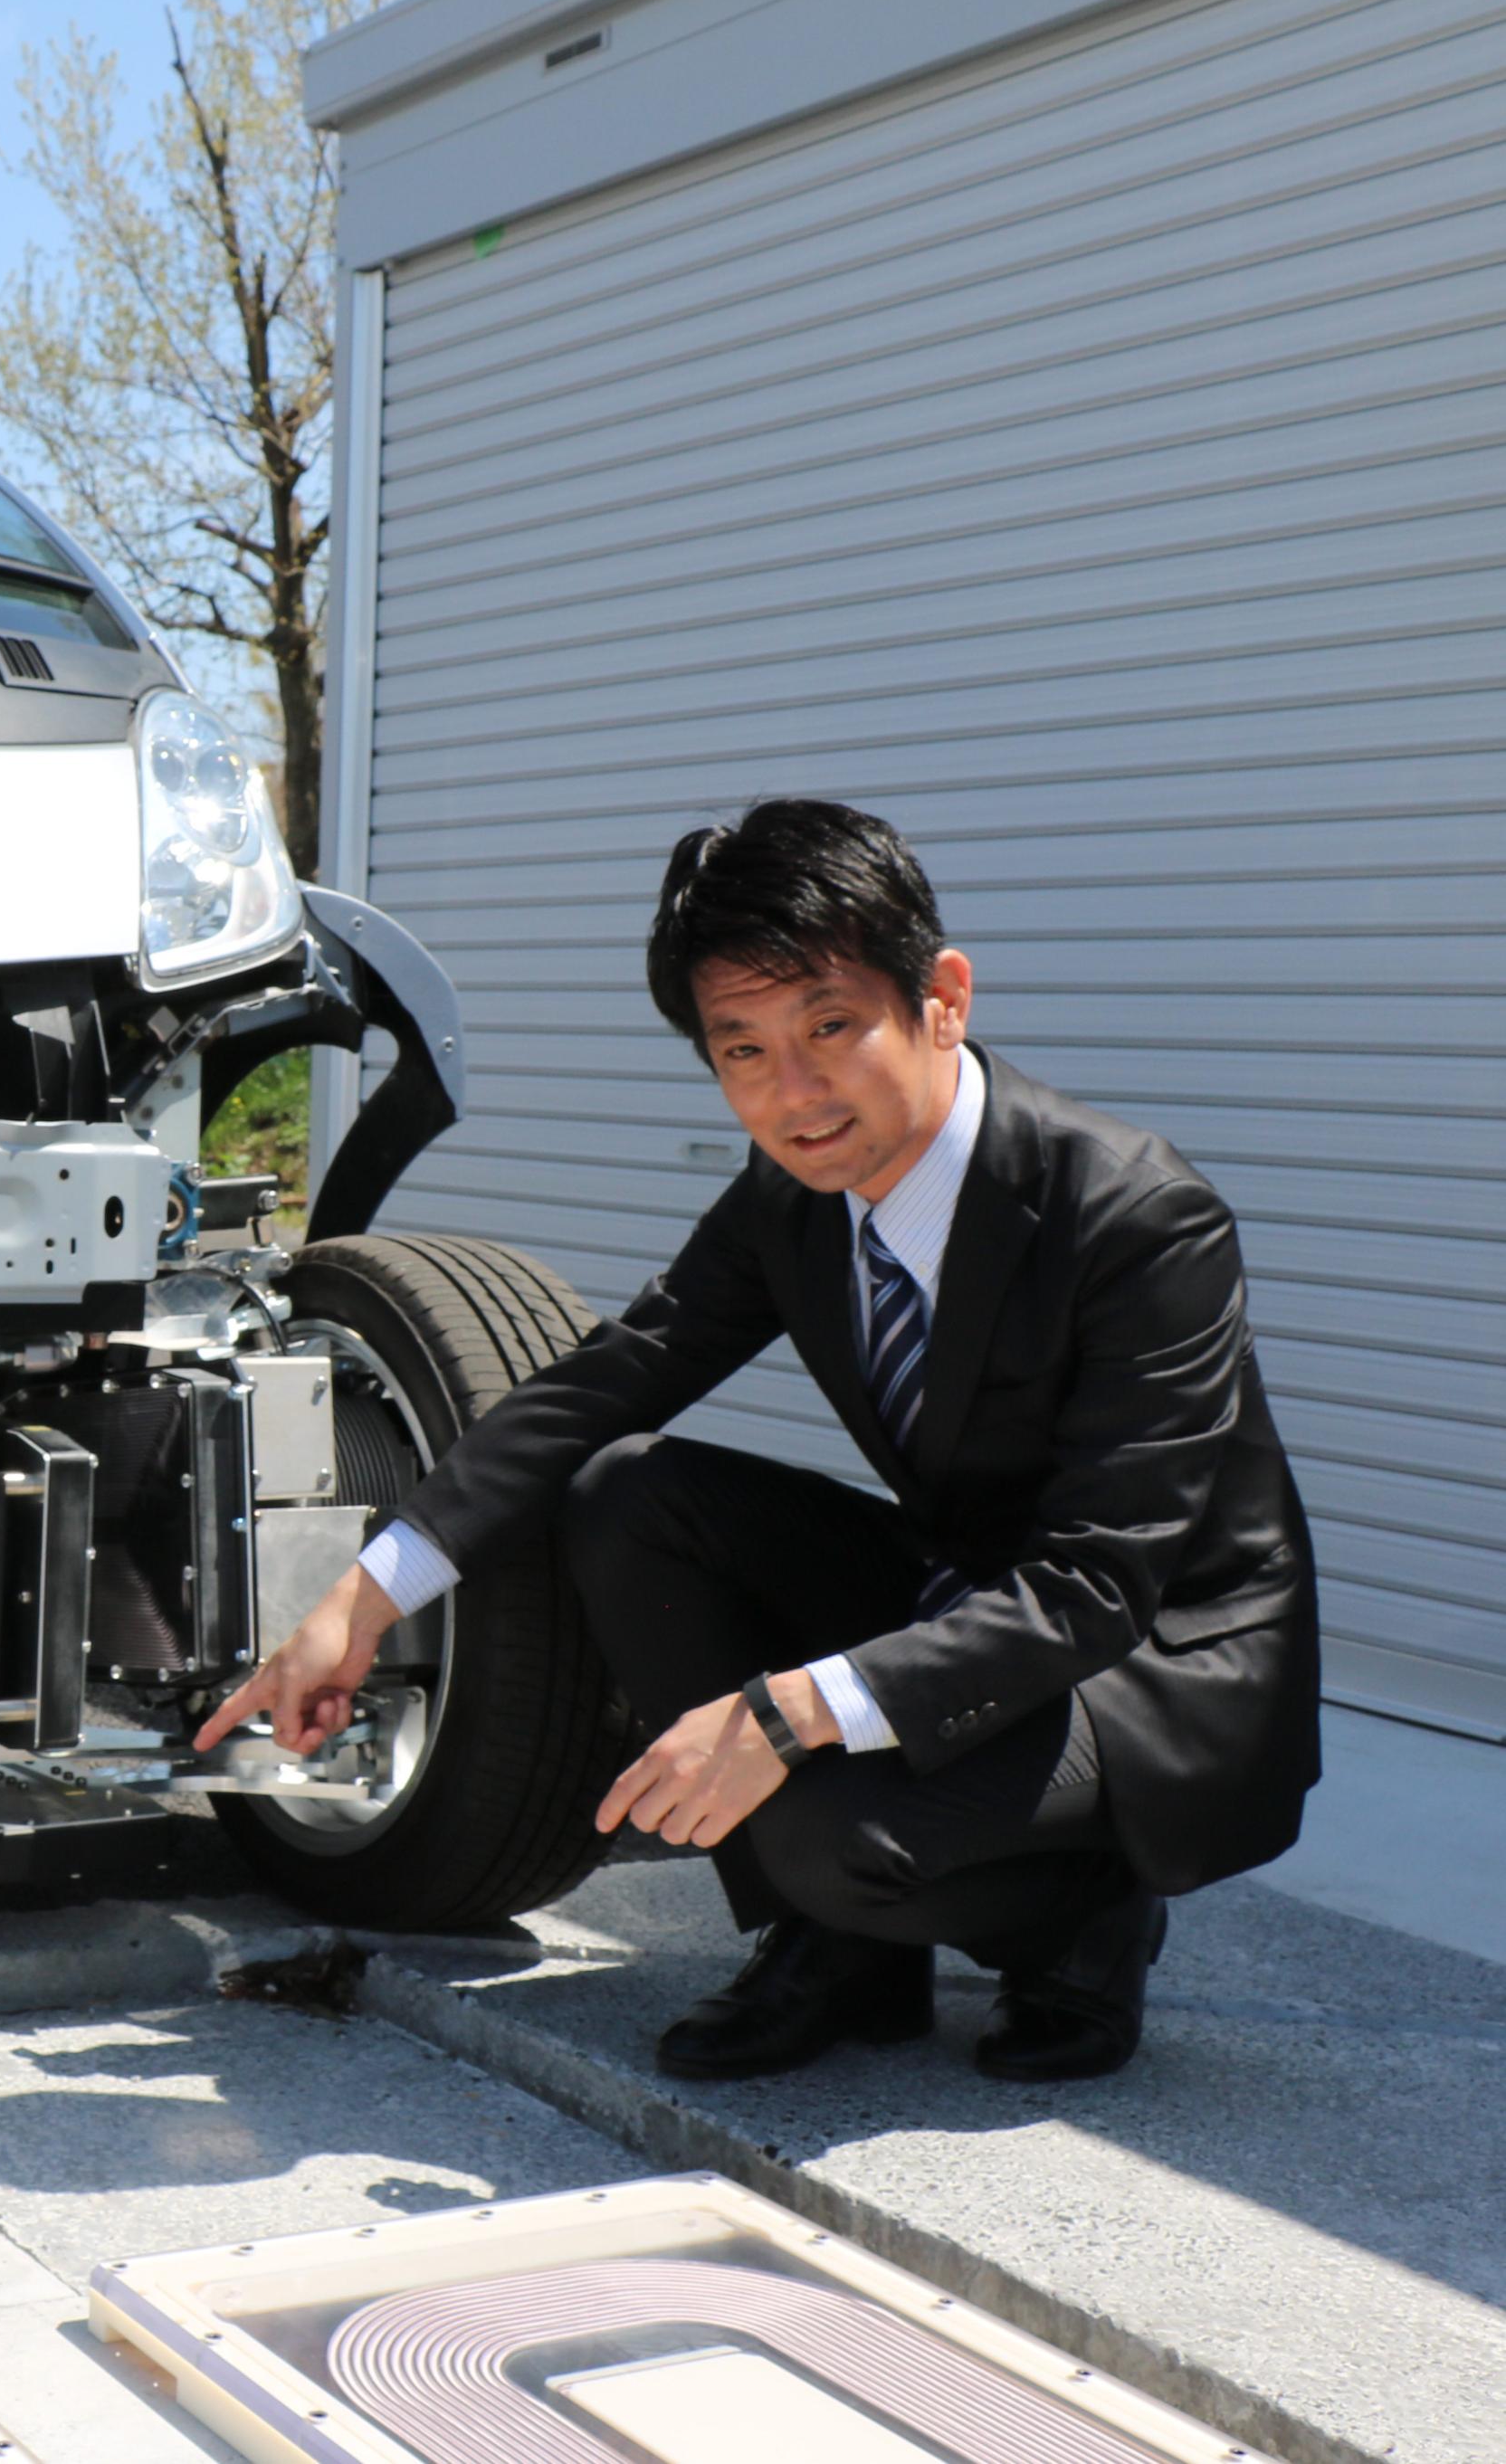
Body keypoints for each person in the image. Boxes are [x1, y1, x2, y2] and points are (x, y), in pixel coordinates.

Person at [200, 800, 1320, 2082]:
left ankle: (1087, 1916)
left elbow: (1096, 1585)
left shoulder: (1136, 1215)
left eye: (830, 1027)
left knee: (824, 1826)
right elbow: (610, 1378)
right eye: (742, 1050)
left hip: (1151, 1663)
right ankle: (844, 1953)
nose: (792, 1094)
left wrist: (787, 1712)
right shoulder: (791, 1196)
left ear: (941, 996)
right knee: (626, 1495)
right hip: (959, 1588)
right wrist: (366, 1592)